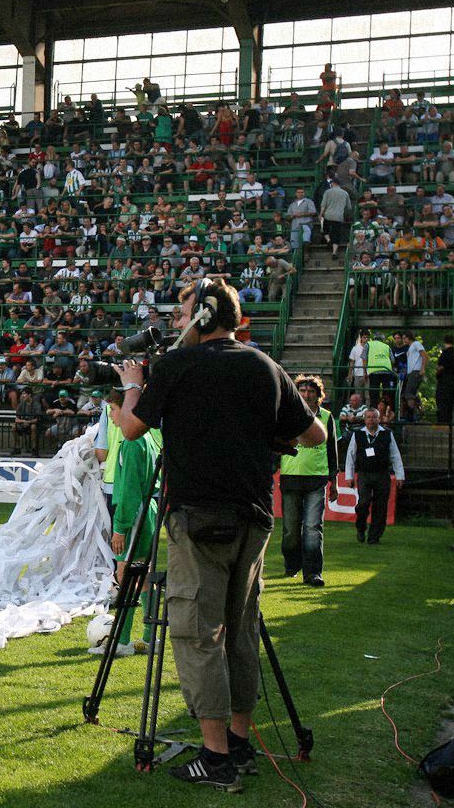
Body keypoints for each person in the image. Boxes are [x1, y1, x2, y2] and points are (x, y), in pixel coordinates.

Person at [115, 277, 324, 792]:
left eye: (185, 314)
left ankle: (216, 758)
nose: (178, 324)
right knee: (241, 630)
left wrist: (134, 382)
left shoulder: (177, 366)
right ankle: (239, 741)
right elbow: (314, 433)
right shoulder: (265, 366)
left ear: (204, 316)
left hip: (198, 516)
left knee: (196, 631)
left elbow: (131, 428)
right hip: (253, 518)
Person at [104, 386, 161, 657]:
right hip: (149, 510)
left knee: (125, 575)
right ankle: (150, 637)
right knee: (146, 577)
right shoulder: (148, 438)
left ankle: (122, 640)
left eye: (114, 410)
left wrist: (120, 527)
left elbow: (128, 490)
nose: (113, 417)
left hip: (135, 513)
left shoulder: (130, 442)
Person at [278, 376, 339, 587]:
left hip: (317, 479)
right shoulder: (286, 415)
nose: (306, 394)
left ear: (318, 394)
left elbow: (332, 451)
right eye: (302, 390)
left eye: (310, 391)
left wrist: (334, 481)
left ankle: (313, 573)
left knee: (313, 527)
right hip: (290, 477)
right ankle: (292, 564)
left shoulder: (327, 417)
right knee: (290, 530)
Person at [345, 407, 405, 545]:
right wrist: (349, 476)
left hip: (382, 475)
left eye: (374, 417)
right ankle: (360, 527)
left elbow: (395, 456)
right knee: (363, 503)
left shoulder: (387, 434)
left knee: (380, 506)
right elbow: (350, 456)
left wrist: (400, 475)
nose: (371, 420)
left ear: (379, 419)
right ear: (364, 419)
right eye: (368, 417)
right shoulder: (358, 434)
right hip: (364, 474)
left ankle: (374, 536)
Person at [436, 334, 454, 425]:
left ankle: (442, 422)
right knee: (450, 405)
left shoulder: (445, 354)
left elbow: (440, 367)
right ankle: (449, 424)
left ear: (444, 341)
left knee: (442, 404)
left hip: (444, 383)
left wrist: (437, 373)